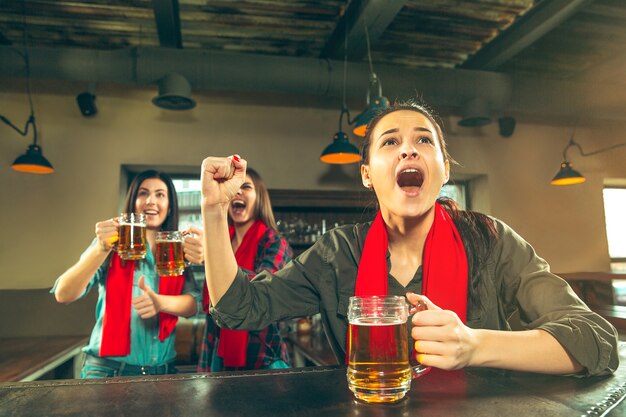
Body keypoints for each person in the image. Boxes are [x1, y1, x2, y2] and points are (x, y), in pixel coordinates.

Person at [199, 99, 619, 376]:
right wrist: (215, 211)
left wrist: (475, 345)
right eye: (390, 141)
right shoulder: (336, 253)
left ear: (445, 169)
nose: (408, 150)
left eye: (423, 139)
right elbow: (239, 309)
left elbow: (597, 341)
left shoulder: (491, 240)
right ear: (367, 174)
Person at [53, 170, 203, 378]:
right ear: (133, 202)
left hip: (163, 374)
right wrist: (101, 248)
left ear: (169, 207)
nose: (151, 201)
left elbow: (194, 304)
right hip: (106, 372)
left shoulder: (177, 250)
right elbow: (64, 294)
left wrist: (160, 302)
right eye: (143, 193)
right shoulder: (110, 243)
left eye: (160, 194)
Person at [198, 167, 293, 372]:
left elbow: (262, 292)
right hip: (218, 351)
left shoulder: (275, 243)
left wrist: (212, 258)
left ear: (259, 198)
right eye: (234, 188)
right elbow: (209, 306)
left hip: (263, 354)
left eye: (246, 187)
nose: (238, 192)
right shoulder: (219, 243)